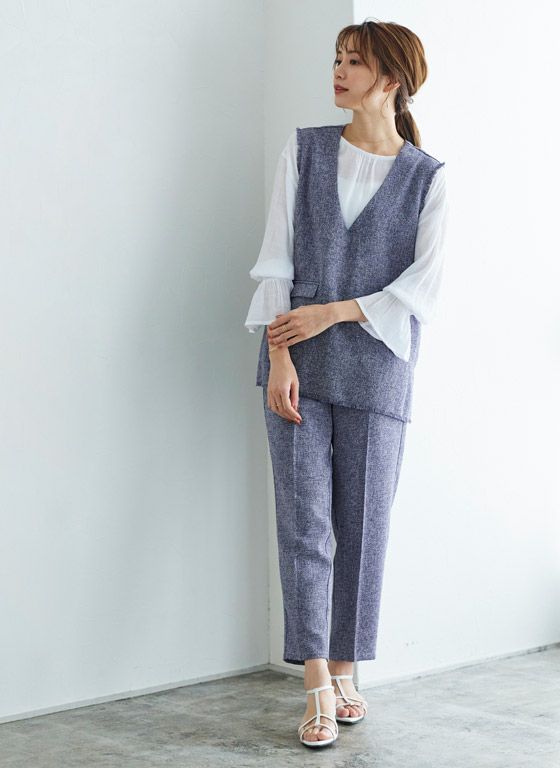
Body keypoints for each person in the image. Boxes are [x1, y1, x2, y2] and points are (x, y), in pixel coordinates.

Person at [244, 20, 448, 748]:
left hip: (379, 370)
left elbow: (422, 288)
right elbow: (275, 261)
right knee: (305, 526)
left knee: (364, 529)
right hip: (296, 368)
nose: (337, 70)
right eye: (337, 58)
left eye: (353, 62)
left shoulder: (428, 177)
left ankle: (346, 669)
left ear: (391, 79)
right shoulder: (303, 151)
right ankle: (316, 687)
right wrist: (281, 358)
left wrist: (332, 311)